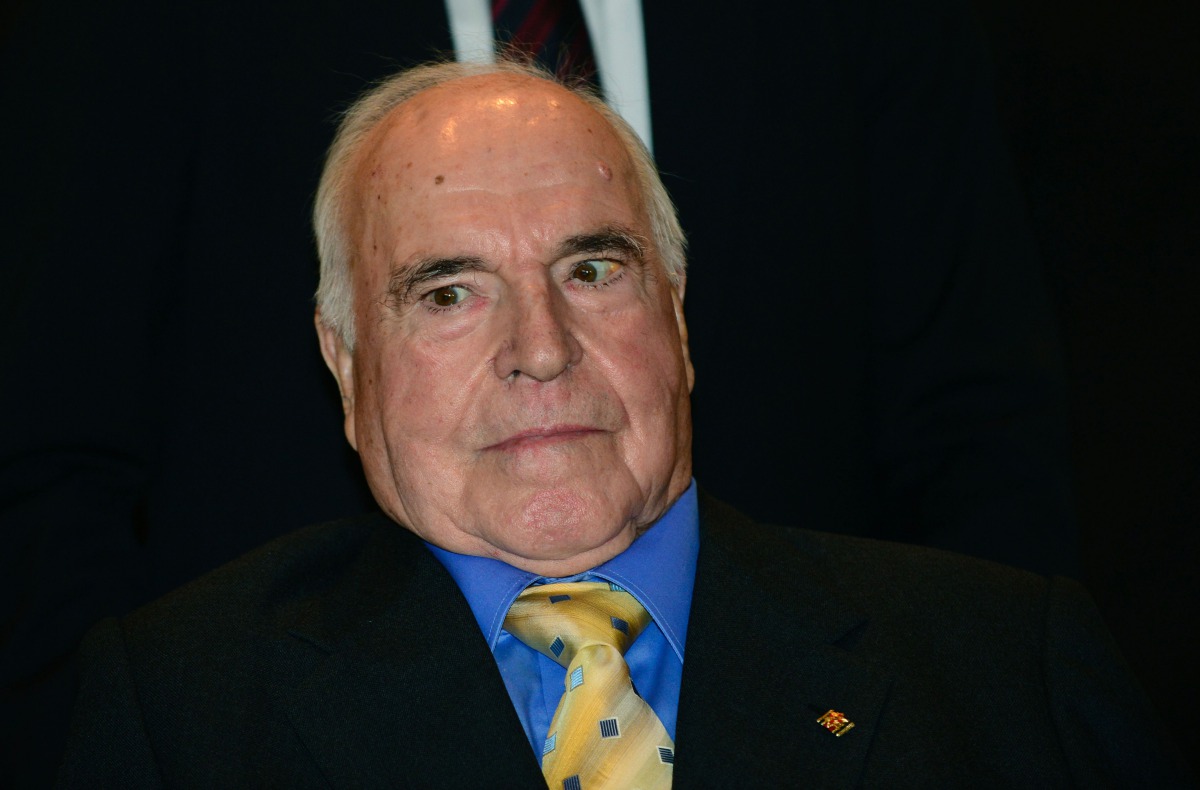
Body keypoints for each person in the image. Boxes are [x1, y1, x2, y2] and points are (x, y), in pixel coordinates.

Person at [56, 60, 1184, 788]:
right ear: (345, 366)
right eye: (448, 292)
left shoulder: (1010, 670)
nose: (541, 348)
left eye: (592, 268)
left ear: (678, 321)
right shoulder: (176, 715)